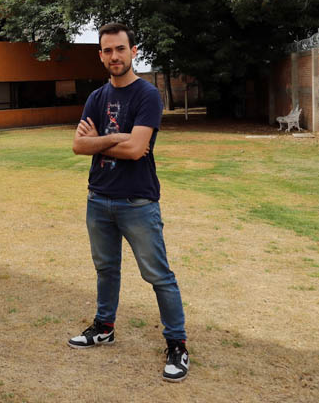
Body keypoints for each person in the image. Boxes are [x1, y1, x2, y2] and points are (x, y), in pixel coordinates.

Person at [68, 22, 189, 382]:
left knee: (158, 276)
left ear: (133, 51)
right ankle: (104, 327)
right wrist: (117, 135)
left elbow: (138, 150)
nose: (114, 56)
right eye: (107, 50)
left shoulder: (147, 95)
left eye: (120, 49)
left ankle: (177, 344)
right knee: (106, 269)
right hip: (98, 198)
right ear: (101, 55)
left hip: (137, 202)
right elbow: (77, 145)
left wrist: (100, 140)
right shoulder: (96, 97)